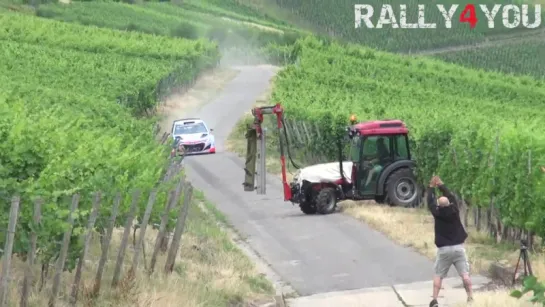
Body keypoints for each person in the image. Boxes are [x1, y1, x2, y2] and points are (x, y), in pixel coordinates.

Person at [427, 176, 473, 307]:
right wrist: (441, 185)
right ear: (449, 204)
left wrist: (431, 187)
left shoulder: (437, 212)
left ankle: (435, 300)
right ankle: (470, 297)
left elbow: (430, 202)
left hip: (444, 250)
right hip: (458, 247)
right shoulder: (455, 210)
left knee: (438, 275)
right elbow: (451, 196)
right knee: (464, 274)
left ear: (439, 205)